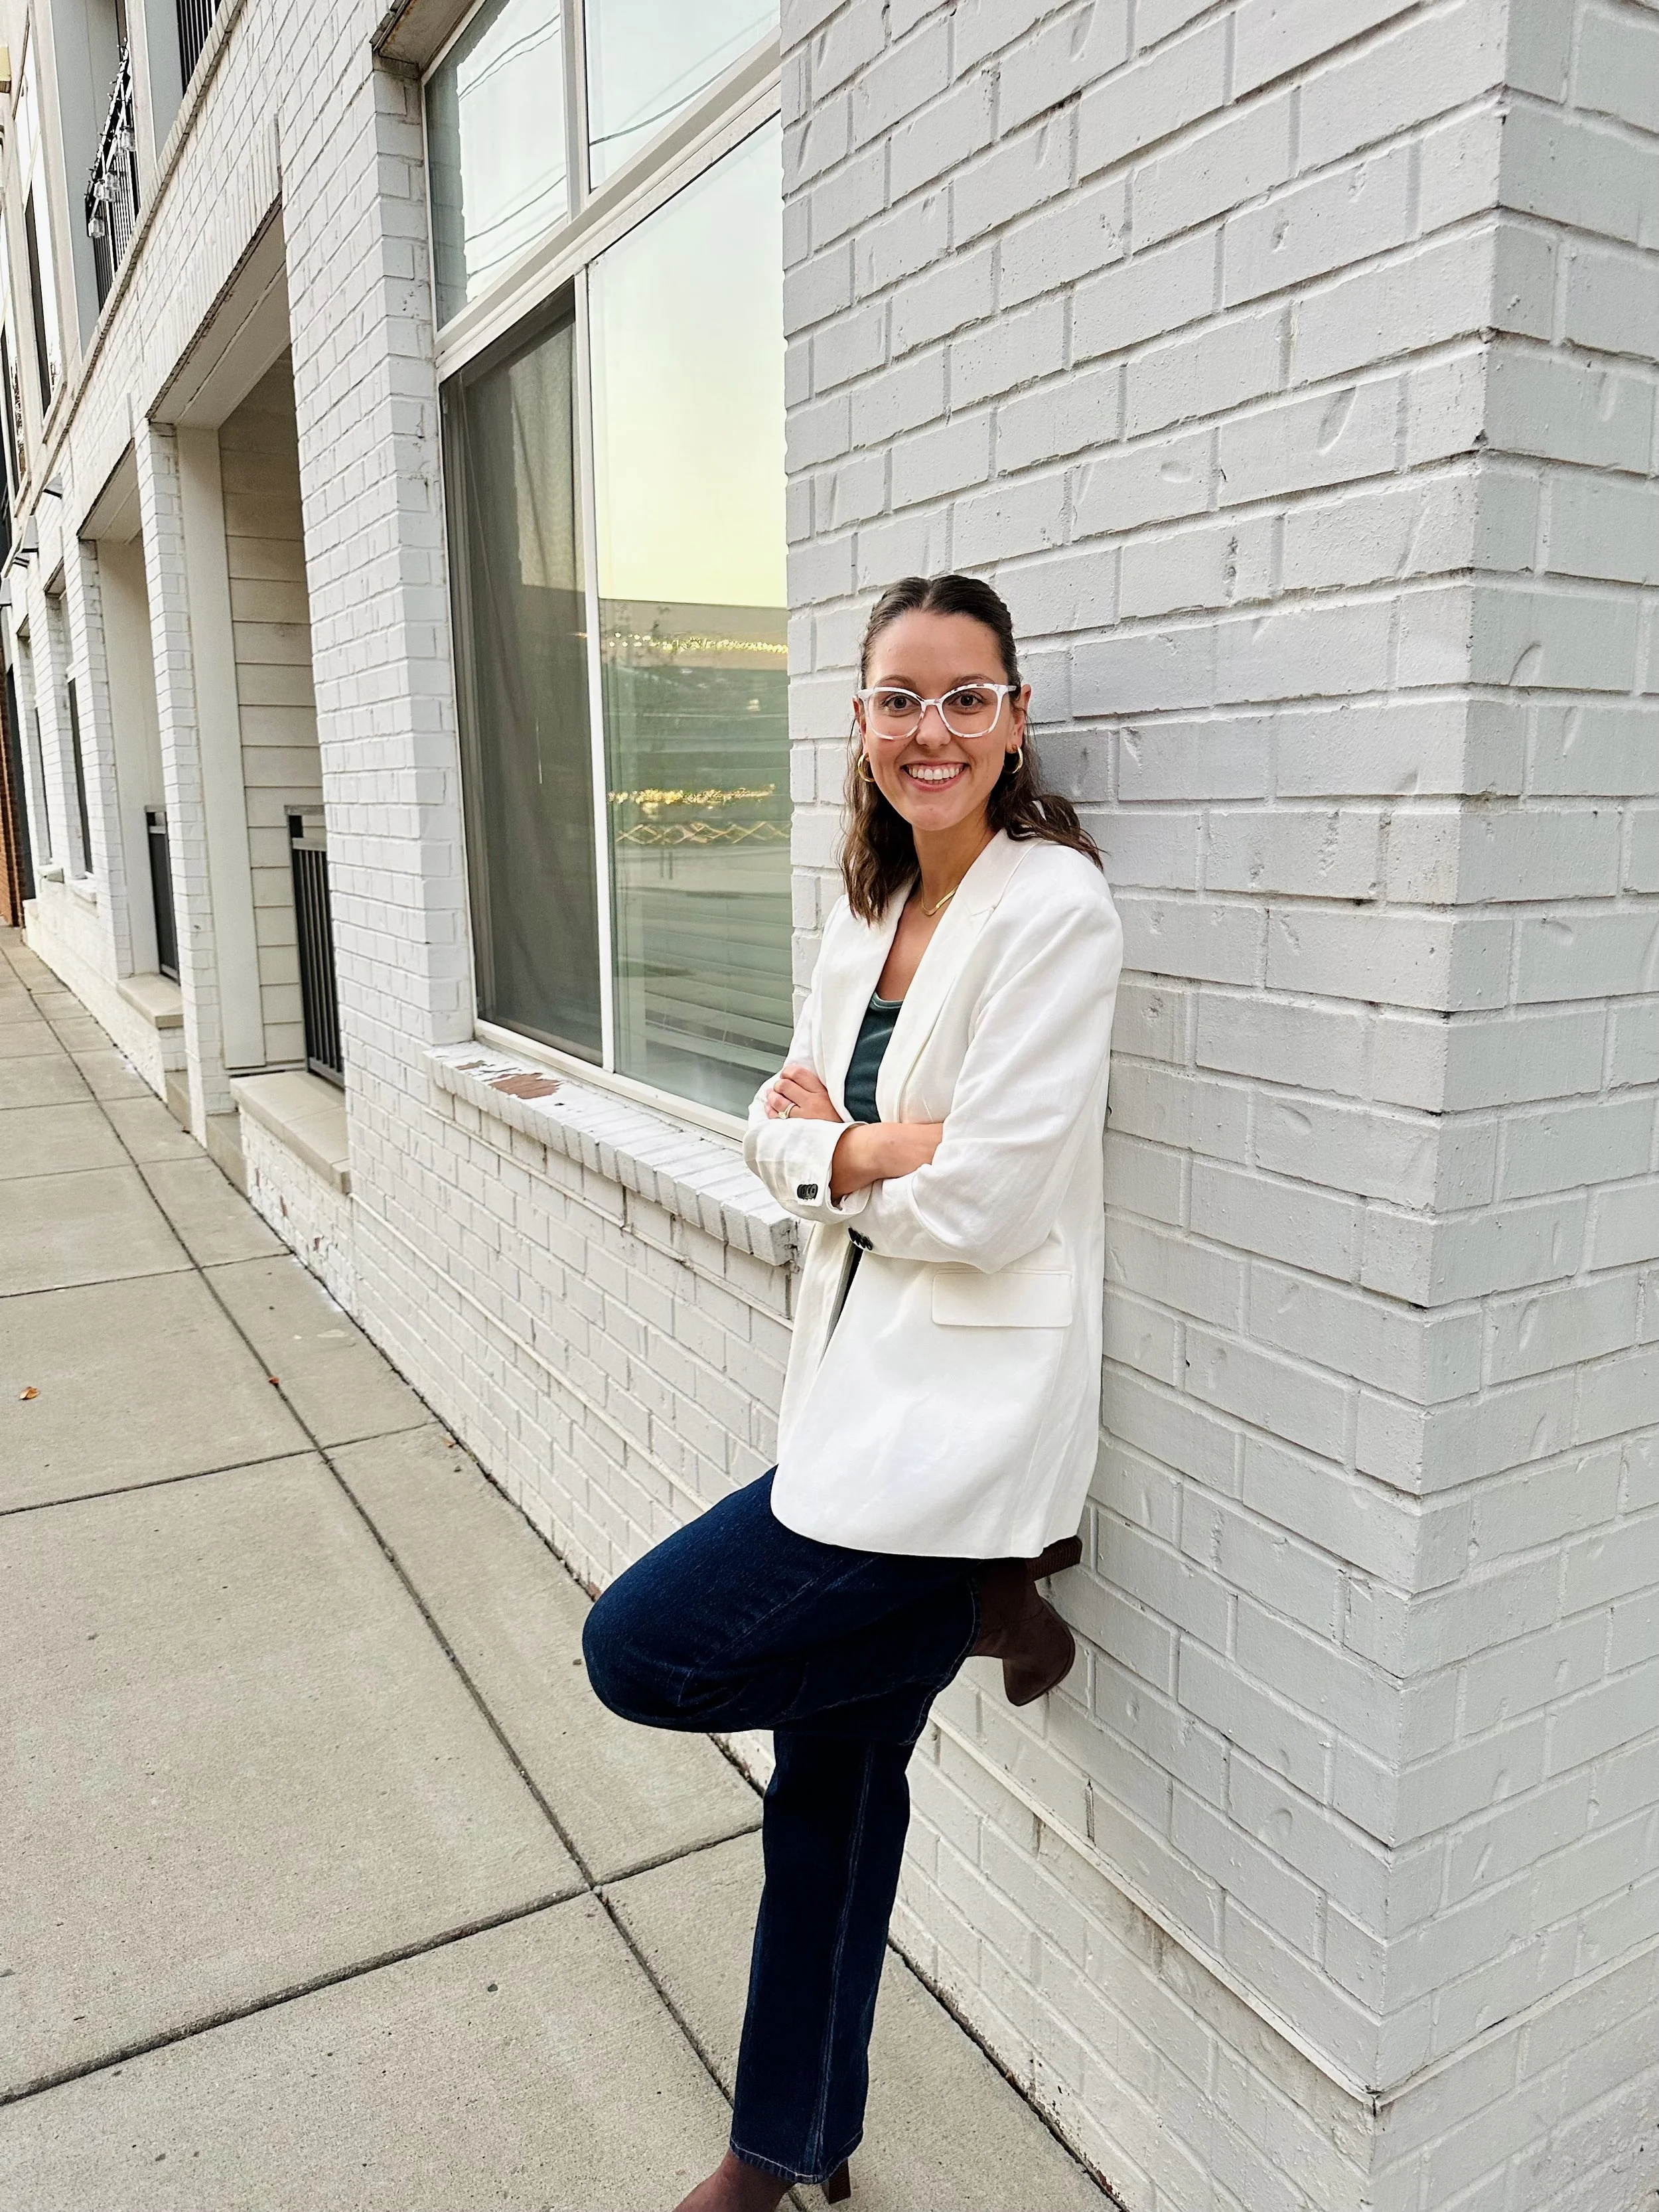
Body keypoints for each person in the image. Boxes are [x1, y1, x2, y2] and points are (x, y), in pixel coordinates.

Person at [583, 573, 1123, 2211]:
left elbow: (991, 1206)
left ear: (1013, 717)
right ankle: (778, 2154)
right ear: (863, 726)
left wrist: (830, 1154)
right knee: (828, 1798)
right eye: (899, 698)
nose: (930, 729)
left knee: (644, 1647)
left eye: (964, 697)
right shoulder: (863, 909)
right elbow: (769, 1129)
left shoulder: (1053, 911)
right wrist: (855, 1145)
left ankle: (978, 1596)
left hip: (953, 1418)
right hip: (845, 1378)